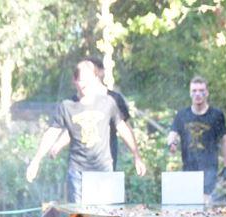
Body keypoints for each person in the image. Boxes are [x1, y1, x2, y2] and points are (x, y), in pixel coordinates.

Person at [25, 60, 146, 203]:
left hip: (103, 168)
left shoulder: (108, 102)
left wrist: (136, 156)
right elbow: (52, 132)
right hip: (77, 171)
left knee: (105, 213)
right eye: (81, 80)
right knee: (78, 214)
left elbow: (123, 128)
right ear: (74, 80)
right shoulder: (67, 106)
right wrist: (37, 159)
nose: (84, 85)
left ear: (95, 79)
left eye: (88, 81)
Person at [46, 58, 134, 171]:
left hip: (107, 154)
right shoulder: (76, 100)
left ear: (100, 73)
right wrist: (58, 144)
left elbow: (125, 127)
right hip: (81, 159)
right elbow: (74, 128)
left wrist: (134, 152)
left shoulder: (113, 99)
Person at [166, 76, 226, 198]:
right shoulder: (182, 115)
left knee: (204, 200)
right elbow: (173, 133)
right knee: (191, 202)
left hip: (209, 168)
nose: (197, 94)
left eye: (201, 90)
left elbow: (224, 140)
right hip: (188, 167)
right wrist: (172, 143)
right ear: (190, 93)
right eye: (194, 91)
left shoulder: (216, 115)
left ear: (207, 93)